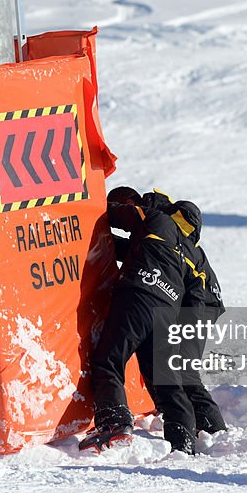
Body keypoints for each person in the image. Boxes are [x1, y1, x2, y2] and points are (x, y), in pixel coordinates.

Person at [80, 190, 201, 453]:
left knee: (108, 360)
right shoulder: (185, 247)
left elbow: (114, 214)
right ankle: (184, 439)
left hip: (139, 295)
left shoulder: (155, 217)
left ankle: (115, 422)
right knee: (165, 379)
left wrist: (87, 205)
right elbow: (124, 247)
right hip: (168, 311)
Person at [110, 188, 228, 436]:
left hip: (198, 303)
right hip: (199, 301)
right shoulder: (169, 229)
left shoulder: (158, 222)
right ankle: (192, 423)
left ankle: (214, 431)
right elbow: (132, 251)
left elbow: (135, 250)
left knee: (183, 369)